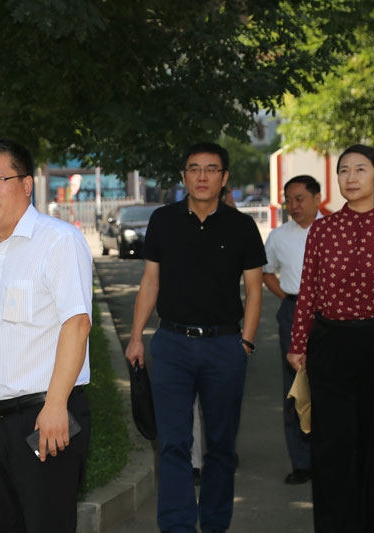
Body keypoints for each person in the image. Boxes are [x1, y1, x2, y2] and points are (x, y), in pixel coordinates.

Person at [0, 137, 93, 533]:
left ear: (26, 184)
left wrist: (57, 404)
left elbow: (77, 324)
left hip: (45, 416)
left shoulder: (58, 241)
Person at [125, 142, 266, 533]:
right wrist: (136, 337)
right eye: (194, 168)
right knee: (173, 444)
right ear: (184, 176)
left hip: (225, 345)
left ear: (224, 177)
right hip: (172, 344)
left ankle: (215, 523)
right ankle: (177, 526)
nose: (202, 176)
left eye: (211, 169)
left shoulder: (242, 227)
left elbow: (255, 290)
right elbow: (150, 281)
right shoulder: (163, 220)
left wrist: (246, 343)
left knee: (221, 446)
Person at [286, 144, 374, 533]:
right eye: (343, 171)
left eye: (360, 169)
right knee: (332, 445)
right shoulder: (323, 229)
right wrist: (298, 343)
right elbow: (308, 290)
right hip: (330, 345)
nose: (351, 177)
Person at [262, 175, 322, 486]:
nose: (293, 205)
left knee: (329, 385)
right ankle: (301, 462)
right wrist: (289, 299)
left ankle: (329, 459)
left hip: (330, 315)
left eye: (300, 199)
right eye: (289, 200)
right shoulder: (278, 236)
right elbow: (266, 272)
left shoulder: (332, 229)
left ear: (317, 198)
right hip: (293, 311)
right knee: (295, 387)